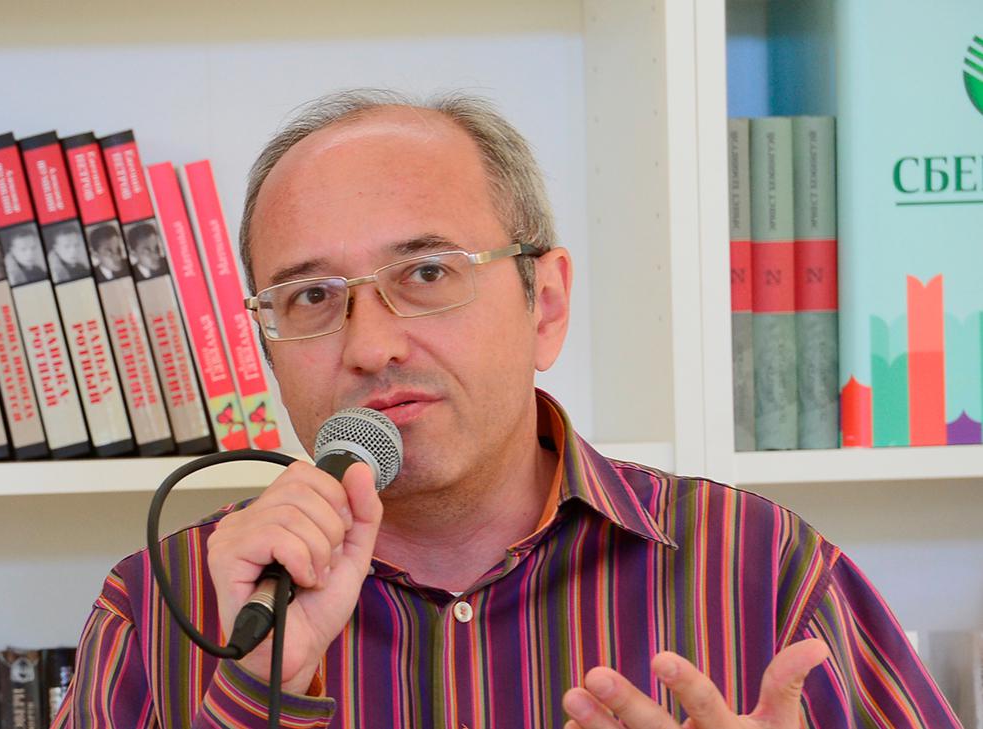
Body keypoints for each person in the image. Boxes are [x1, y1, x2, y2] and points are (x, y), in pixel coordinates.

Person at [53, 91, 960, 729]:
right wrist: (252, 691)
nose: (371, 344)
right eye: (313, 296)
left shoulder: (762, 567)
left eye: (427, 272)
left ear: (546, 304)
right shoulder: (158, 607)